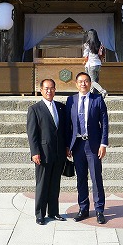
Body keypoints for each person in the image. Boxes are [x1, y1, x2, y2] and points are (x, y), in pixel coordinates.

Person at [26, 78, 71, 225]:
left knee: (55, 184)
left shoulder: (61, 107)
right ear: (41, 90)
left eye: (51, 88)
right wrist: (34, 152)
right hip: (43, 153)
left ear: (55, 90)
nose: (49, 91)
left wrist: (66, 147)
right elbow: (32, 134)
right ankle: (40, 214)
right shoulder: (34, 109)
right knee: (42, 184)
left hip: (58, 152)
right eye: (46, 88)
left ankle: (53, 211)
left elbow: (64, 130)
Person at [66, 71, 109, 224]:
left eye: (86, 81)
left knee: (96, 178)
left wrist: (103, 144)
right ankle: (83, 208)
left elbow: (104, 123)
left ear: (90, 84)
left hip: (93, 145)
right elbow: (67, 125)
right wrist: (67, 145)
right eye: (80, 81)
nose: (83, 84)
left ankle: (99, 210)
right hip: (77, 145)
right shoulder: (71, 100)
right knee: (81, 179)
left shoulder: (97, 99)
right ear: (76, 84)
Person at [82, 29, 108, 98]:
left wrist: (84, 61)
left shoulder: (87, 44)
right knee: (96, 80)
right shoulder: (100, 43)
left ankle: (102, 91)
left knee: (92, 81)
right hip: (98, 64)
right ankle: (92, 94)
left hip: (91, 65)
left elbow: (85, 55)